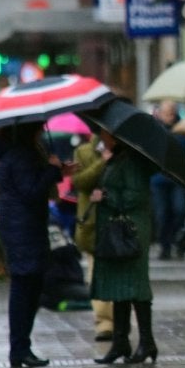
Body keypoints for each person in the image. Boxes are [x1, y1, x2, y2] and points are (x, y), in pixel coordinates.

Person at [0, 121, 77, 368]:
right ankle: (19, 348)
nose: (41, 132)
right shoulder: (20, 155)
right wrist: (51, 170)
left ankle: (21, 347)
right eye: (38, 129)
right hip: (22, 228)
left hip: (22, 226)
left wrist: (58, 171)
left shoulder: (16, 153)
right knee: (25, 286)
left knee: (30, 285)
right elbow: (31, 191)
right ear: (29, 131)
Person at [91, 128, 158, 365]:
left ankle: (147, 342)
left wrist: (106, 197)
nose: (101, 138)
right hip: (119, 232)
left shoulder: (131, 161)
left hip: (132, 232)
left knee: (136, 288)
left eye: (104, 134)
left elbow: (134, 196)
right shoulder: (117, 159)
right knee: (120, 288)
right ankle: (121, 342)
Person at [72, 134, 114, 342]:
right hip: (93, 223)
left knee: (117, 273)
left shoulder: (125, 151)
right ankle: (104, 323)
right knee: (96, 273)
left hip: (118, 223)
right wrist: (102, 162)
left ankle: (120, 320)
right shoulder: (84, 152)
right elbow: (79, 181)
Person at [150, 100, 185, 260]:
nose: (170, 116)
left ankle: (178, 242)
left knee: (179, 210)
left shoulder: (183, 129)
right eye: (167, 113)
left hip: (178, 178)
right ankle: (164, 246)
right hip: (159, 179)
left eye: (172, 112)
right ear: (160, 113)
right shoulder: (154, 129)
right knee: (162, 214)